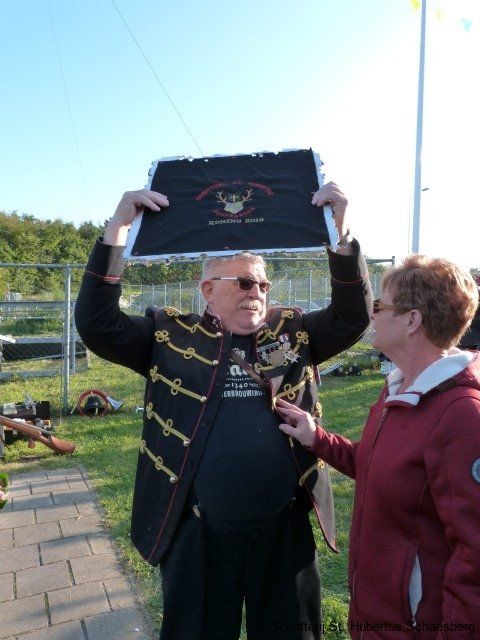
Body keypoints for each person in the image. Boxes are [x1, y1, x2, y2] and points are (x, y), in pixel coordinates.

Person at [75, 182, 372, 640]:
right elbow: (98, 325)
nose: (258, 292)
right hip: (199, 536)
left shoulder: (294, 331)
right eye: (246, 282)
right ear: (208, 289)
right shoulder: (167, 335)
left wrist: (341, 233)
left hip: (284, 533)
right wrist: (117, 230)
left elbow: (353, 317)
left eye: (264, 284)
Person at [277, 255, 480, 639]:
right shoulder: (401, 388)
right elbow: (376, 464)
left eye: (379, 307)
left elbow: (475, 557)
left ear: (412, 320)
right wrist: (317, 438)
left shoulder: (462, 416)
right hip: (375, 619)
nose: (372, 315)